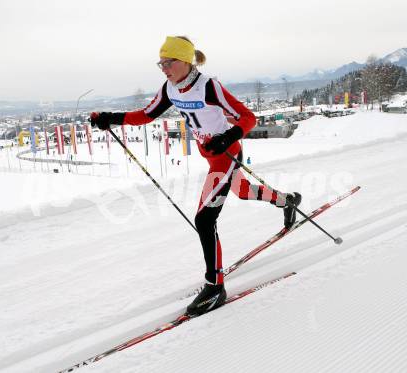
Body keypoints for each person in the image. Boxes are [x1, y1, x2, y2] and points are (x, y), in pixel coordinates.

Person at [90, 36, 301, 316]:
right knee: (243, 190)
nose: (164, 68)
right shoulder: (170, 88)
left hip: (226, 155)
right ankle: (287, 201)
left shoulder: (209, 87)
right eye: (160, 63)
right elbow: (146, 115)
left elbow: (247, 118)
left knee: (204, 218)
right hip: (211, 156)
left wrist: (228, 137)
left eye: (168, 62)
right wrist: (109, 117)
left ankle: (215, 287)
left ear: (185, 61)